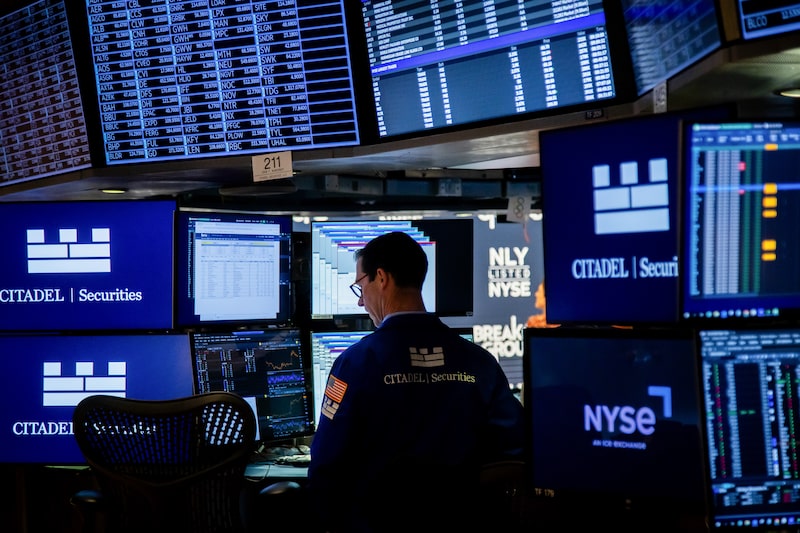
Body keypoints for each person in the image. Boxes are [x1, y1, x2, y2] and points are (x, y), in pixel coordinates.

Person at [307, 231, 525, 533]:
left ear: (381, 278)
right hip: (465, 531)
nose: (361, 302)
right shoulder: (479, 361)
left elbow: (326, 465)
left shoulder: (355, 364)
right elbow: (514, 447)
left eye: (360, 286)